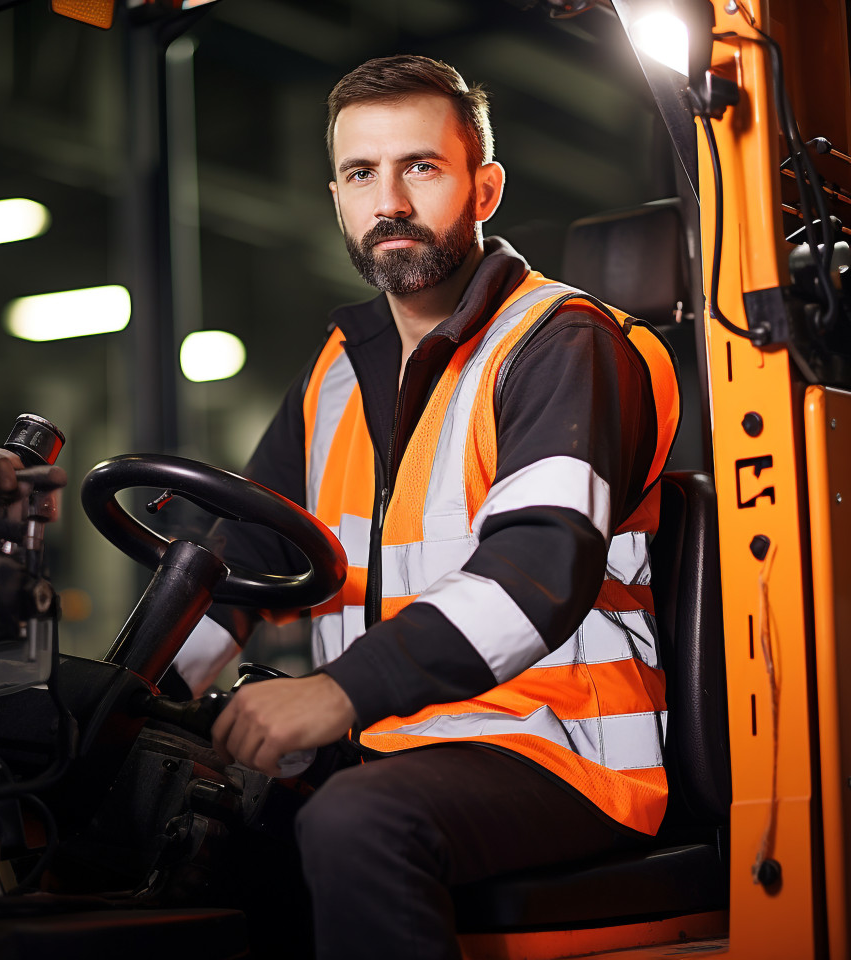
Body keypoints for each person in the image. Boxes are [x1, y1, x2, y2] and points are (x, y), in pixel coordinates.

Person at [171, 54, 680, 960]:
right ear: (337, 197)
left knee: (355, 822)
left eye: (422, 167)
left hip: (559, 749)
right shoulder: (338, 371)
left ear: (484, 188)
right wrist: (145, 689)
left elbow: (535, 575)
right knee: (180, 826)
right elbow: (245, 560)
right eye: (362, 173)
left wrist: (337, 692)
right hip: (392, 742)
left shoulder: (561, 343)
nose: (390, 202)